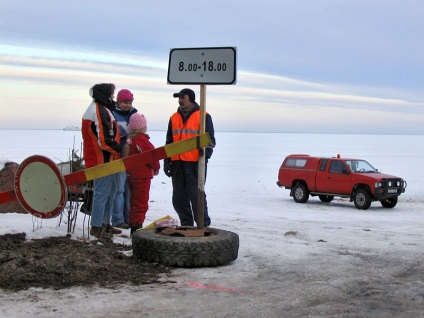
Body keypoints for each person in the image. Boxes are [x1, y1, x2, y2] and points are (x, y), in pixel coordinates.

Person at [163, 88, 216, 227]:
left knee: (196, 196)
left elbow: (210, 141)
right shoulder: (173, 117)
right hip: (177, 164)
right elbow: (169, 141)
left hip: (194, 164)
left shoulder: (203, 116)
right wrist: (166, 161)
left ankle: (203, 225)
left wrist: (204, 158)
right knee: (179, 198)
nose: (180, 101)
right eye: (179, 98)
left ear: (191, 99)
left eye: (183, 98)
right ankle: (186, 224)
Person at [81, 83, 122, 239]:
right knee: (102, 193)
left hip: (107, 159)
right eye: (111, 94)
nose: (113, 98)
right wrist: (119, 151)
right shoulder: (98, 111)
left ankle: (105, 224)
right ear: (104, 95)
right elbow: (104, 140)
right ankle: (97, 227)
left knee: (109, 192)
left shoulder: (102, 109)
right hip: (101, 161)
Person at [123, 113, 160, 234]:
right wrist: (156, 168)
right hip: (141, 177)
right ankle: (136, 229)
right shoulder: (141, 141)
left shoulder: (131, 141)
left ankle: (134, 225)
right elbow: (152, 155)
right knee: (140, 203)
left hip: (132, 176)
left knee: (134, 202)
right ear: (142, 127)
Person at [111, 89, 138, 229]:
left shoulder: (134, 114)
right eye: (125, 102)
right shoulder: (113, 114)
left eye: (130, 102)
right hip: (119, 154)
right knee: (119, 188)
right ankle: (117, 218)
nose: (127, 105)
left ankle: (128, 218)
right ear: (119, 102)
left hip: (131, 155)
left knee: (129, 189)